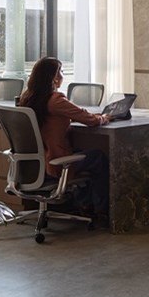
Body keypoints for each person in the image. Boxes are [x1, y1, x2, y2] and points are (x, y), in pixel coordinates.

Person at [17, 57, 112, 220]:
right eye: (60, 71)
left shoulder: (28, 98)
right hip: (55, 162)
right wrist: (105, 117)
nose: (62, 75)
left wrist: (73, 117)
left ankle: (84, 204)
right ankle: (99, 210)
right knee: (98, 158)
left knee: (82, 153)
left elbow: (54, 120)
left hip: (34, 164)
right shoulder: (55, 100)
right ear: (53, 77)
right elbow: (91, 120)